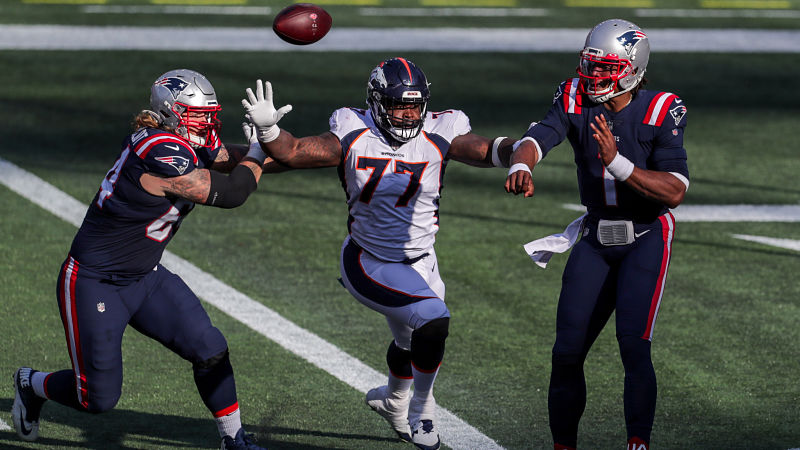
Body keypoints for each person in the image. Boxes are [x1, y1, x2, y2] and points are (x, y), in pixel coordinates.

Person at [241, 57, 516, 450]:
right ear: (375, 103)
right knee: (433, 319)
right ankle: (423, 413)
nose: (406, 114)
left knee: (412, 340)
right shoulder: (353, 130)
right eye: (397, 105)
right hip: (369, 261)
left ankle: (395, 401)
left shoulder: (441, 130)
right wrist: (268, 129)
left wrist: (525, 148)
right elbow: (295, 151)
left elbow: (490, 149)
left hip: (423, 260)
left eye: (413, 105)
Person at [11, 69, 270, 450]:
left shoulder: (181, 142)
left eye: (209, 115)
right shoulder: (158, 149)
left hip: (145, 277)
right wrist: (261, 152)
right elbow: (232, 192)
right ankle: (31, 383)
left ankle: (234, 440)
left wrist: (274, 140)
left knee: (210, 348)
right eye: (197, 116)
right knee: (97, 399)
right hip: (94, 280)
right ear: (170, 113)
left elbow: (231, 158)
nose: (207, 123)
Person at [505, 19, 689, 450]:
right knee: (566, 351)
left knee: (633, 347)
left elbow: (675, 189)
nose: (592, 76)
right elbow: (541, 134)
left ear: (632, 69)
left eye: (605, 68)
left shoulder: (663, 108)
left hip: (645, 236)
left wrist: (617, 162)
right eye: (590, 64)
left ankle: (638, 443)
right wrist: (522, 163)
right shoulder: (573, 96)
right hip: (595, 235)